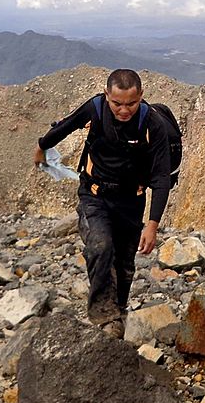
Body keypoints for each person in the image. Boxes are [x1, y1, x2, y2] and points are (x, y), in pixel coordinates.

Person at [33, 69, 173, 339]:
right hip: (93, 195)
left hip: (132, 201)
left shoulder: (152, 125)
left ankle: (118, 312)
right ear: (107, 95)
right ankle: (104, 317)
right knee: (100, 246)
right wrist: (41, 147)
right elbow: (66, 126)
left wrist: (152, 225)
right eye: (117, 103)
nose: (123, 110)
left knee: (124, 263)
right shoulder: (95, 108)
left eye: (131, 103)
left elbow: (161, 178)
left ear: (141, 96)